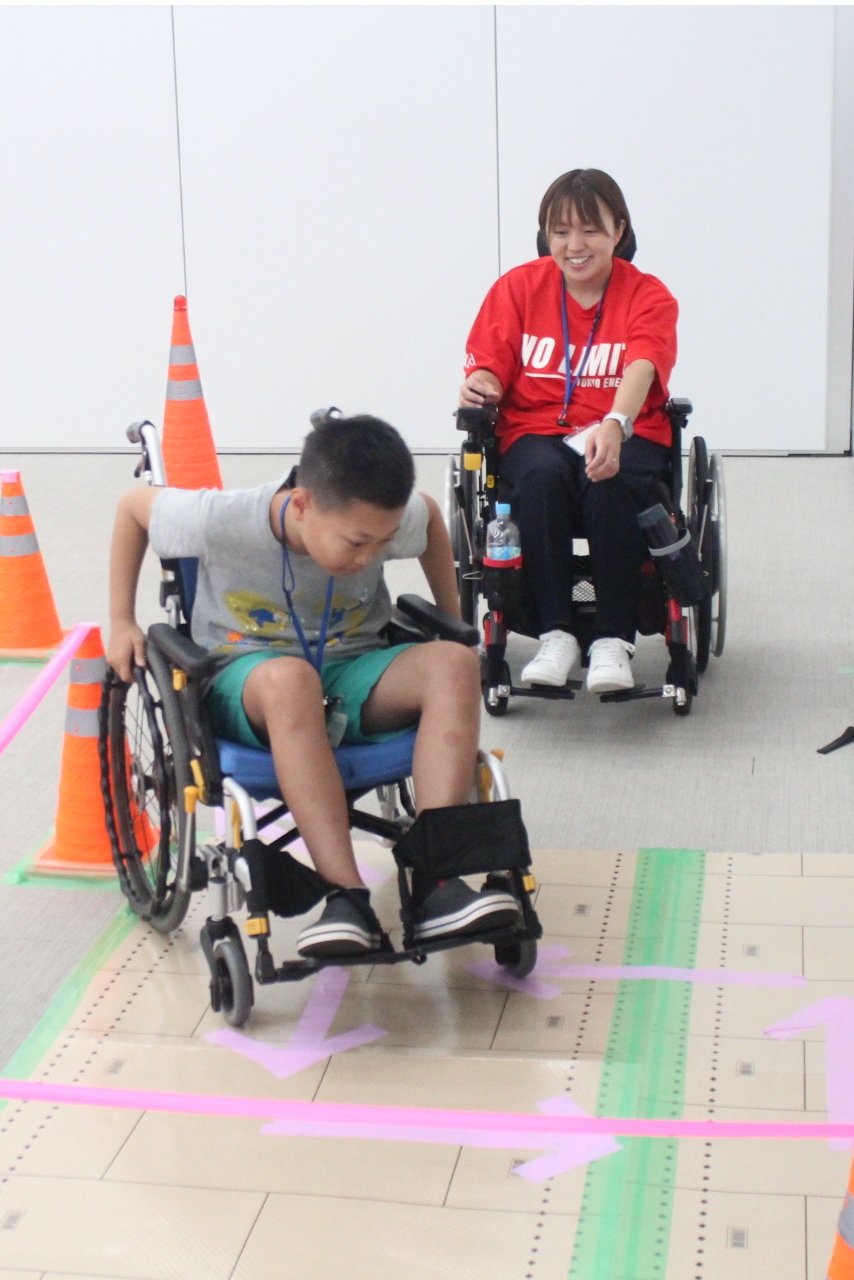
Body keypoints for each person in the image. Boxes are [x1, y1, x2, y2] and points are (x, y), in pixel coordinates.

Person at [102, 412, 517, 958]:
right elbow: (133, 508)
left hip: (351, 667)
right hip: (249, 677)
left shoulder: (374, 515)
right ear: (301, 504)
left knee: (455, 664)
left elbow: (432, 518)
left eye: (383, 543)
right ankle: (346, 896)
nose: (370, 557)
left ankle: (438, 882)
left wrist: (452, 619)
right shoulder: (221, 518)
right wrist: (122, 621)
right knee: (291, 680)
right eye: (357, 542)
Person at [459, 168, 684, 695]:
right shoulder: (518, 288)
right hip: (537, 430)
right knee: (539, 477)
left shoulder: (647, 295)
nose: (574, 246)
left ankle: (613, 640)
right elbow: (491, 363)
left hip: (627, 429)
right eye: (560, 232)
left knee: (608, 478)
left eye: (589, 230)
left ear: (619, 230)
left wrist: (616, 422)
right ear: (545, 235)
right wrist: (481, 383)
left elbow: (643, 365)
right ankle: (555, 633)